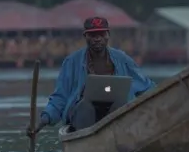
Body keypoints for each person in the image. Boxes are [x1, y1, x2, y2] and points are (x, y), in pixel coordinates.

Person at [27, 16, 155, 137]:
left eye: (101, 34)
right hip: (82, 113)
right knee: (85, 107)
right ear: (85, 36)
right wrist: (42, 121)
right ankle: (87, 141)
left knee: (121, 108)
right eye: (93, 35)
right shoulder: (72, 62)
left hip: (115, 111)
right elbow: (59, 98)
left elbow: (146, 88)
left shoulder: (123, 59)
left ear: (108, 35)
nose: (97, 39)